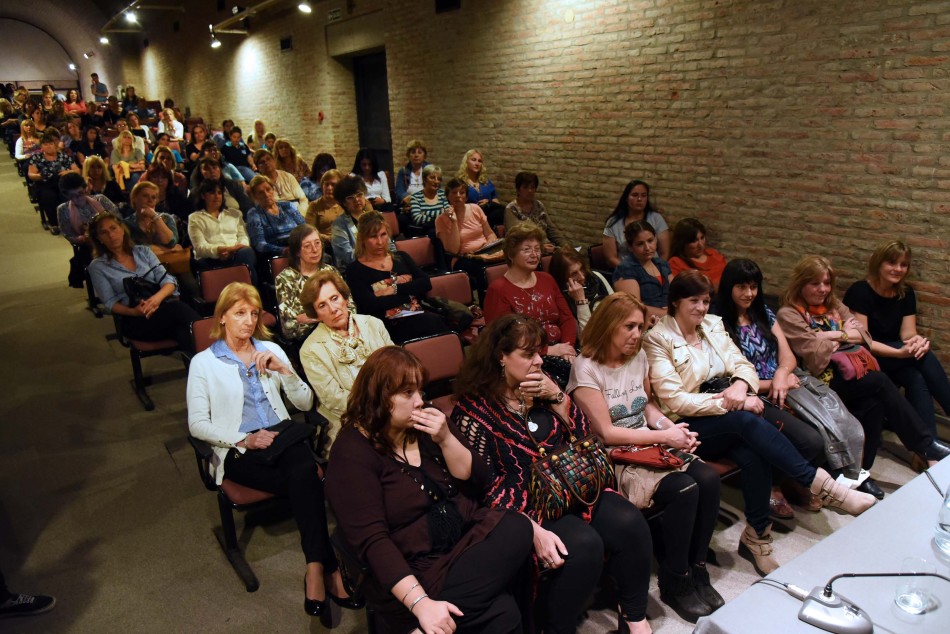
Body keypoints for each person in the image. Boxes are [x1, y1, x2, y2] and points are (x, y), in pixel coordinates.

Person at [643, 271, 876, 576]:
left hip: (729, 409)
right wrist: (734, 402)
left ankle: (757, 535)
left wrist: (741, 386)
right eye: (694, 301)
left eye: (706, 301)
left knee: (754, 452)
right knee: (746, 421)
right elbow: (675, 401)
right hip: (689, 423)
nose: (701, 308)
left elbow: (743, 365)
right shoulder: (658, 338)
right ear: (675, 302)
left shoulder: (712, 324)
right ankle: (826, 488)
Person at [453, 315, 654, 634]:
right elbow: (482, 488)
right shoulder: (473, 411)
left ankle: (634, 618)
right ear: (501, 357)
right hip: (526, 505)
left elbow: (586, 439)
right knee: (584, 546)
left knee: (630, 522)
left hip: (573, 484)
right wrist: (528, 527)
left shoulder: (545, 387)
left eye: (539, 352)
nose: (538, 361)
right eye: (527, 354)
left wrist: (559, 398)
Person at [326, 346, 533, 634]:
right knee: (504, 613)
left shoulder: (427, 422)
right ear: (378, 396)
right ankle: (420, 620)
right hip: (412, 570)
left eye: (420, 391)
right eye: (407, 393)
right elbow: (373, 541)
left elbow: (479, 479)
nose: (419, 401)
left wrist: (446, 439)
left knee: (518, 529)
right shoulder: (352, 452)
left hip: (459, 543)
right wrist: (421, 604)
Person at [186, 282, 360, 618]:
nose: (248, 321)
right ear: (222, 317)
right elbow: (197, 424)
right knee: (306, 475)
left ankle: (314, 568)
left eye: (253, 313)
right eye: (240, 313)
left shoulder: (270, 349)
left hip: (283, 438)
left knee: (300, 466)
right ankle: (328, 568)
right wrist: (243, 439)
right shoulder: (203, 363)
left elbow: (305, 403)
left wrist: (285, 371)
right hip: (238, 449)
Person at [569, 293, 723, 619]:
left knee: (708, 479)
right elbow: (607, 433)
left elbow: (647, 406)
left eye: (640, 327)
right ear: (608, 325)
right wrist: (664, 436)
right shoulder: (586, 367)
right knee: (684, 488)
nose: (636, 334)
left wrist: (672, 428)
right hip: (616, 456)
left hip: (649, 442)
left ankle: (697, 567)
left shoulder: (638, 357)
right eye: (629, 326)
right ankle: (676, 578)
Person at [777, 256, 949, 489]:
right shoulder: (789, 314)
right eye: (815, 284)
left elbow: (864, 336)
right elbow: (814, 355)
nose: (823, 289)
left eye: (826, 283)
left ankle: (861, 473)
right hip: (817, 382)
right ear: (800, 284)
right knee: (879, 381)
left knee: (874, 402)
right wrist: (845, 335)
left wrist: (829, 335)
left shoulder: (834, 305)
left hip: (847, 373)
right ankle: (925, 445)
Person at [717, 259, 829, 517]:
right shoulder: (717, 323)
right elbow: (729, 377)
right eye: (741, 287)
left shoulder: (763, 313)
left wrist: (781, 374)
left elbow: (788, 356)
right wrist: (774, 384)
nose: (749, 293)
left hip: (782, 384)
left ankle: (792, 478)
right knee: (809, 440)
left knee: (824, 427)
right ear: (728, 287)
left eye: (753, 287)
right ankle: (775, 484)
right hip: (751, 394)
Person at [844, 240, 950, 438]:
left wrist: (917, 342)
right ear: (879, 263)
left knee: (916, 377)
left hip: (895, 356)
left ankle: (927, 447)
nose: (898, 269)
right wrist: (900, 353)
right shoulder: (860, 291)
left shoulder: (905, 293)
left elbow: (908, 334)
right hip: (868, 356)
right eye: (892, 263)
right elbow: (863, 341)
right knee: (925, 358)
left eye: (903, 265)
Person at [299, 269, 392, 449]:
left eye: (334, 298)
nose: (333, 309)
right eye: (322, 305)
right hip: (350, 419)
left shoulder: (374, 323)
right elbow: (335, 400)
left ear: (345, 298)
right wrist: (379, 410)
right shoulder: (310, 350)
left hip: (392, 406)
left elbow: (397, 368)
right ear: (316, 314)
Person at [87, 212, 198, 351]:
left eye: (113, 228)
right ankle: (213, 341)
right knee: (181, 312)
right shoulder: (97, 266)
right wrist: (135, 311)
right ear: (99, 239)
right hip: (134, 319)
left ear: (122, 229)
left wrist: (156, 299)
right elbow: (110, 303)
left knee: (185, 333)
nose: (111, 235)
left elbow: (169, 281)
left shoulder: (143, 252)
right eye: (104, 232)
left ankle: (208, 362)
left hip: (161, 308)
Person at [483, 223, 579, 378]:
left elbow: (567, 318)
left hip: (563, 351)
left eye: (537, 249)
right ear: (511, 254)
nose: (534, 254)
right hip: (526, 360)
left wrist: (568, 348)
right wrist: (547, 350)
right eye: (527, 249)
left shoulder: (547, 279)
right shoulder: (498, 289)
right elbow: (502, 339)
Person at [344, 211, 448, 344]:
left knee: (436, 325)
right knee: (431, 324)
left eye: (383, 235)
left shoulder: (401, 257)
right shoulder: (355, 270)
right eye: (373, 237)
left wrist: (393, 289)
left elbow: (425, 283)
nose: (380, 242)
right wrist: (410, 293)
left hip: (419, 315)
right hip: (386, 327)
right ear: (362, 239)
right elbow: (370, 306)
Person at [275, 225, 342, 342]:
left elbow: (350, 307)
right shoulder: (285, 279)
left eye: (317, 243)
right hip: (311, 339)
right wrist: (329, 316)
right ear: (297, 252)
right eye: (307, 246)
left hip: (341, 329)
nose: (315, 249)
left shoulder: (331, 271)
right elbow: (289, 327)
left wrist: (314, 317)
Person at [435, 177, 503, 291]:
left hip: (484, 253)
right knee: (484, 270)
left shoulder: (475, 208)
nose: (458, 196)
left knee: (507, 262)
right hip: (463, 258)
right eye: (454, 192)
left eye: (462, 192)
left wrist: (489, 244)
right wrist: (454, 222)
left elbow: (490, 234)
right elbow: (453, 250)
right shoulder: (441, 220)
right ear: (447, 196)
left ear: (466, 197)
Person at [188, 179, 258, 284]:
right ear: (203, 196)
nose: (217, 196)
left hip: (236, 254)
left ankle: (250, 291)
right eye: (212, 193)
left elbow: (243, 237)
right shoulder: (195, 218)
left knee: (247, 252)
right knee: (203, 262)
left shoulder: (235, 214)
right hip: (211, 259)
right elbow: (200, 248)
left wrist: (233, 250)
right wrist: (219, 251)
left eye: (219, 193)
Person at [613, 220, 671, 323]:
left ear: (656, 239)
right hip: (646, 324)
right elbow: (634, 308)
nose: (647, 248)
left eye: (650, 241)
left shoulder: (662, 264)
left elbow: (677, 294)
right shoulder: (626, 270)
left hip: (671, 320)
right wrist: (670, 313)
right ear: (630, 247)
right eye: (640, 244)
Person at [603, 180, 670, 268]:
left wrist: (656, 270)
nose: (639, 199)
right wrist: (632, 271)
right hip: (626, 269)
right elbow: (611, 257)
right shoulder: (613, 222)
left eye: (643, 195)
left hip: (654, 268)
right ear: (626, 198)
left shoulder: (656, 218)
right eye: (634, 195)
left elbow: (664, 253)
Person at [548, 246, 613, 335]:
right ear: (562, 278)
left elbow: (618, 309)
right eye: (574, 274)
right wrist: (580, 301)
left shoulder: (596, 277)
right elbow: (587, 336)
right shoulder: (560, 298)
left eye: (582, 269)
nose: (582, 277)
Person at [504, 171, 571, 251]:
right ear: (518, 190)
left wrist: (565, 245)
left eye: (532, 187)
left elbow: (551, 230)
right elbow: (517, 237)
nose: (530, 190)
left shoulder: (539, 205)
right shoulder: (511, 209)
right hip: (526, 250)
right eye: (525, 187)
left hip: (547, 247)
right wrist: (541, 247)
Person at [29, 130, 80, 234]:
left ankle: (69, 222)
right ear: (41, 146)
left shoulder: (63, 156)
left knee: (67, 194)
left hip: (63, 182)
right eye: (45, 144)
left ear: (55, 145)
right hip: (46, 183)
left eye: (51, 144)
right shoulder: (36, 158)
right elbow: (31, 174)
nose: (48, 146)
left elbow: (77, 170)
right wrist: (40, 176)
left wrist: (68, 172)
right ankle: (54, 223)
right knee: (49, 197)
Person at [246, 175, 306, 257]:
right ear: (255, 196)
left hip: (300, 247)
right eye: (260, 192)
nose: (266, 194)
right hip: (277, 255)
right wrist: (282, 250)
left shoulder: (288, 206)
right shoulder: (254, 213)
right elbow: (259, 244)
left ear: (273, 189)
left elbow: (305, 229)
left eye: (268, 189)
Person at [668, 218, 727, 291]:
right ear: (683, 243)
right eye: (694, 241)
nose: (700, 245)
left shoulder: (714, 254)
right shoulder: (675, 263)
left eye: (702, 238)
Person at [329, 175, 370, 272]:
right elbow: (346, 256)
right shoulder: (338, 225)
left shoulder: (373, 218)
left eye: (359, 194)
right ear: (343, 203)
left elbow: (389, 245)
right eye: (350, 198)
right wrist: (373, 255)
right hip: (354, 270)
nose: (356, 200)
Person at [457, 148, 502, 225]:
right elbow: (456, 205)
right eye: (473, 160)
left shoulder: (486, 182)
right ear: (466, 162)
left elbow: (497, 203)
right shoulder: (460, 183)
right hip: (469, 221)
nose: (477, 163)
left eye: (479, 161)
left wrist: (489, 203)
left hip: (489, 220)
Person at [305, 169, 349, 244]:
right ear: (322, 186)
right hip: (324, 244)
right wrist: (327, 238)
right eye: (326, 184)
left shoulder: (346, 203)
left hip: (346, 241)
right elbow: (310, 230)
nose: (329, 188)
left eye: (333, 185)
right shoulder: (314, 206)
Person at [408, 164, 449, 232]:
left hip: (443, 230)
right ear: (424, 179)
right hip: (424, 232)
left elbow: (448, 214)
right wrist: (441, 213)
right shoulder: (415, 197)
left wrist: (425, 213)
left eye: (439, 179)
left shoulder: (443, 194)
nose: (436, 181)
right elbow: (417, 219)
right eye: (432, 178)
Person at [394, 139, 429, 209]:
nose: (416, 155)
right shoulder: (403, 171)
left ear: (424, 156)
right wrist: (411, 200)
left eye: (419, 152)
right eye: (413, 152)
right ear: (408, 155)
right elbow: (399, 191)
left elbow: (436, 189)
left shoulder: (430, 171)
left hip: (427, 204)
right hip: (409, 205)